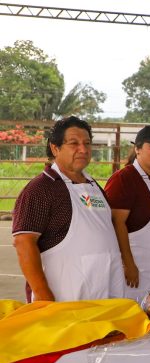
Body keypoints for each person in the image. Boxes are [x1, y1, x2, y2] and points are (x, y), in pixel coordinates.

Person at [12, 116, 123, 302]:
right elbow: (24, 242)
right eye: (74, 143)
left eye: (87, 143)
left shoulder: (94, 185)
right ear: (55, 148)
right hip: (63, 296)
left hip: (102, 293)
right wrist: (41, 293)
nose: (83, 149)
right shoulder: (40, 189)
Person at [105, 125, 150, 303]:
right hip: (137, 270)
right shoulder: (125, 178)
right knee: (135, 319)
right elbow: (116, 223)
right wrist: (128, 264)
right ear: (137, 149)